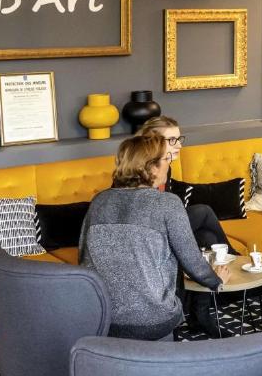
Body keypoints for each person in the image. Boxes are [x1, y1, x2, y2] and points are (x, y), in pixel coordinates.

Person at [79, 133, 230, 341]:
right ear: (151, 168)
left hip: (102, 319)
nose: (169, 164)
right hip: (154, 322)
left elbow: (83, 258)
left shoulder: (99, 202)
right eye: (166, 159)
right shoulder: (168, 203)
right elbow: (192, 261)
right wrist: (216, 280)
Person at [136, 116, 234, 252]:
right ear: (153, 142)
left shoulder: (166, 167)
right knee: (203, 211)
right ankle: (237, 257)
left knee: (207, 238)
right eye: (172, 140)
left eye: (178, 139)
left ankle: (231, 266)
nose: (179, 145)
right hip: (148, 235)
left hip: (165, 225)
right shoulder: (137, 170)